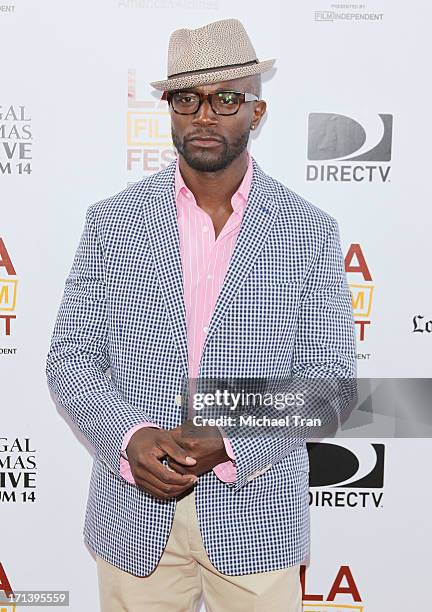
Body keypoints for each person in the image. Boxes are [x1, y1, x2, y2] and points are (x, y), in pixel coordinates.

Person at [46, 17, 357, 612]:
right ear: (169, 109)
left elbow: (331, 386)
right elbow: (70, 362)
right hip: (133, 516)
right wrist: (129, 439)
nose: (205, 115)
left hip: (257, 521)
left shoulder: (309, 230)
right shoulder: (112, 223)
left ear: (256, 113)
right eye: (187, 98)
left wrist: (231, 441)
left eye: (226, 98)